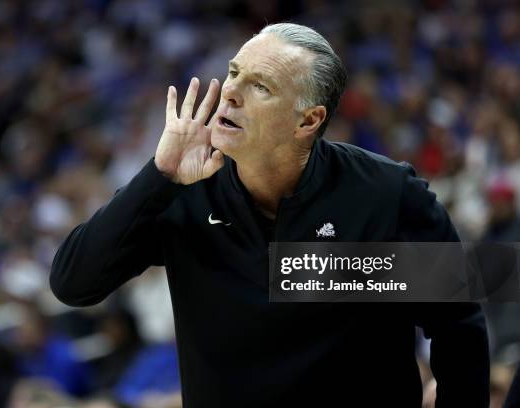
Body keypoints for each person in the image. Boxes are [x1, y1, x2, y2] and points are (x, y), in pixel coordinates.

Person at [50, 23, 489, 407]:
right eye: (234, 73)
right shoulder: (181, 189)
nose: (230, 93)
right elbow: (73, 283)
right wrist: (157, 175)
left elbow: (458, 323)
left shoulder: (387, 193)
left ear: (308, 120)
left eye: (260, 86)